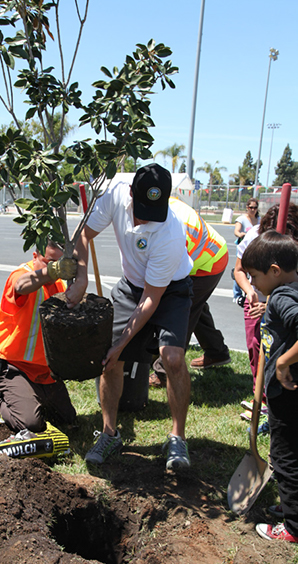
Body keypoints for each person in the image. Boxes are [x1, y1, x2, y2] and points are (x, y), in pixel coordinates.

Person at [66, 164, 193, 470]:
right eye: (143, 207)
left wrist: (121, 343)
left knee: (172, 358)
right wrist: (81, 278)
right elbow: (83, 234)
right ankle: (110, 433)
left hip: (169, 290)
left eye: (155, 209)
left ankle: (177, 437)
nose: (147, 216)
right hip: (131, 286)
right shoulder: (113, 195)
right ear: (131, 194)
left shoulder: (170, 234)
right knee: (108, 359)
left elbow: (152, 298)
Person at [0, 241, 77, 433]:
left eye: (60, 263)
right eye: (49, 262)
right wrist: (52, 271)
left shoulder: (59, 284)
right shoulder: (21, 275)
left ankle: (31, 397)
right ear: (35, 256)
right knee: (30, 424)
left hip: (45, 370)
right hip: (14, 366)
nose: (56, 269)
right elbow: (21, 286)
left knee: (67, 419)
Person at [241, 231, 298, 544]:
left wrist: (282, 363)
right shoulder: (290, 290)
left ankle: (292, 528)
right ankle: (293, 507)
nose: (252, 282)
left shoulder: (282, 297)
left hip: (286, 393)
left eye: (254, 277)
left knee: (284, 456)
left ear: (275, 271)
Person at [150, 197, 230, 386]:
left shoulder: (176, 228)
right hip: (201, 256)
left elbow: (164, 280)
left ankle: (163, 370)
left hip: (209, 263)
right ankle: (217, 352)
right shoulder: (159, 203)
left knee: (181, 310)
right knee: (196, 306)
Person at [233, 204, 298, 416]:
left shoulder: (284, 296)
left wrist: (271, 306)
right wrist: (250, 291)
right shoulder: (254, 236)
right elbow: (239, 270)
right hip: (258, 301)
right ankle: (261, 397)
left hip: (279, 306)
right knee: (258, 348)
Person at [233, 198, 260, 303]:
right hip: (244, 247)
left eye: (255, 207)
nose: (253, 210)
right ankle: (237, 294)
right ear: (247, 208)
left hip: (257, 249)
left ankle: (253, 292)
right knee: (240, 270)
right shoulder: (242, 219)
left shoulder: (259, 220)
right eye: (251, 207)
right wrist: (242, 235)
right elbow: (236, 231)